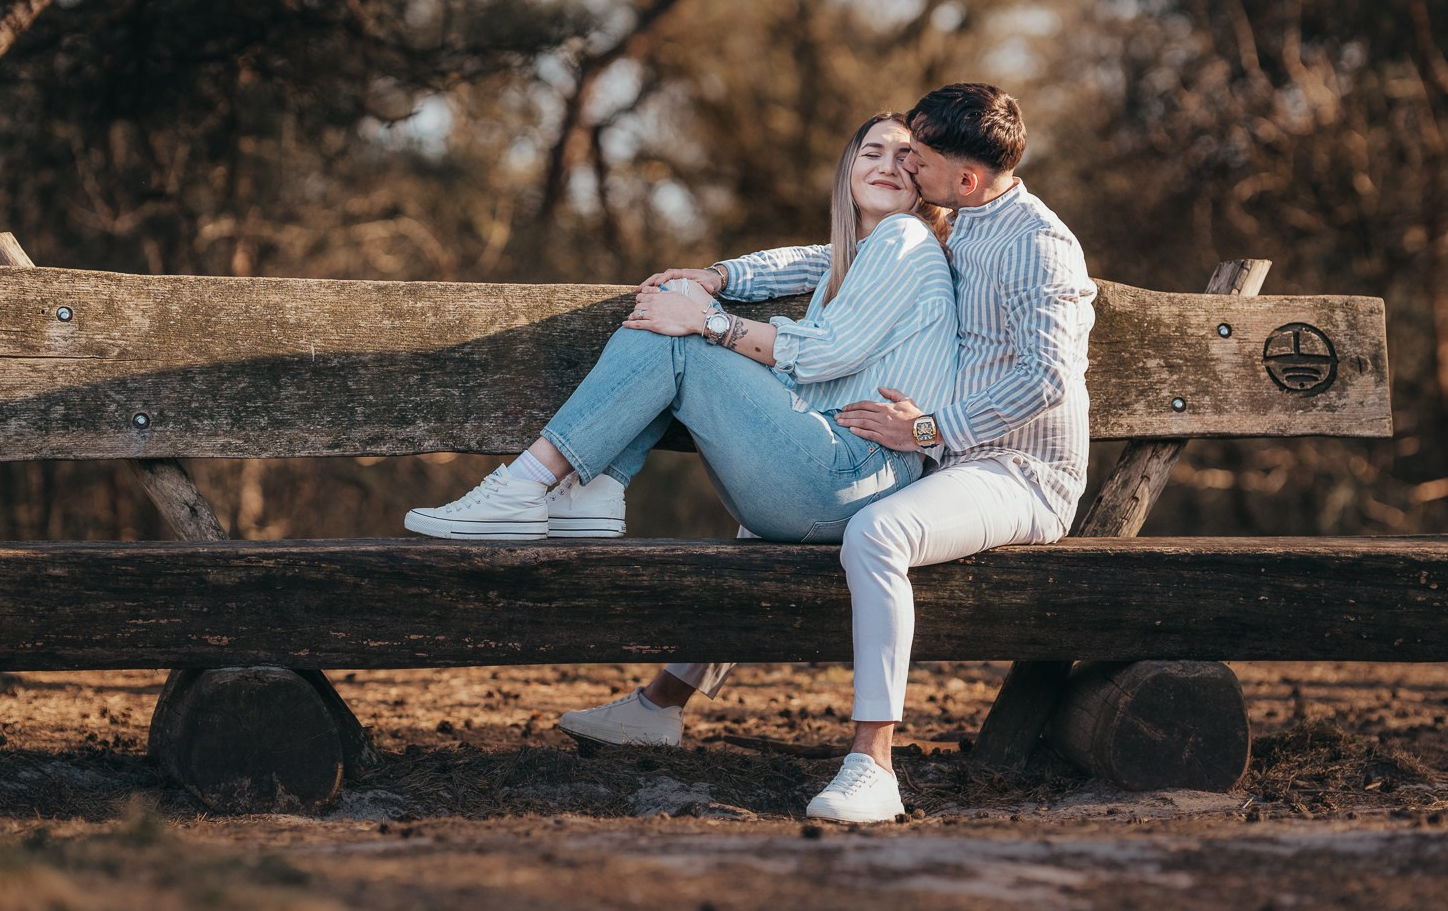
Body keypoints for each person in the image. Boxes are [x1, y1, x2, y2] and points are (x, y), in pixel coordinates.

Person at [549, 83, 1096, 825]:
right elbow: (827, 255)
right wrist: (723, 276)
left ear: (964, 180)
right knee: (770, 515)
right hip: (944, 455)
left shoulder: (1040, 245)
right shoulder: (958, 220)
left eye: (918, 157)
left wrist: (930, 431)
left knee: (879, 533)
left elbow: (1048, 379)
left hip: (1017, 472)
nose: (905, 165)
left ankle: (873, 765)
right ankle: (661, 703)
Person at [403, 114, 959, 770]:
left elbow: (829, 351)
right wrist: (716, 278)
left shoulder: (902, 239)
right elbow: (798, 261)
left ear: (927, 181)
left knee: (677, 334)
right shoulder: (863, 253)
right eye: (873, 151)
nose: (889, 164)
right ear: (847, 171)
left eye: (906, 155)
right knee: (676, 310)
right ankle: (598, 511)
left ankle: (535, 484)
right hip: (837, 479)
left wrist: (711, 321)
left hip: (848, 473)